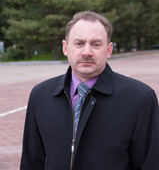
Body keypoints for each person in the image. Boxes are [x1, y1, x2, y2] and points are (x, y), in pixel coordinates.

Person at [20, 11, 159, 170]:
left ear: (109, 50)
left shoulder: (140, 99)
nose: (87, 52)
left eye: (96, 44)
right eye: (79, 43)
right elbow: (31, 162)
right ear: (66, 48)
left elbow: (150, 163)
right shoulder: (41, 96)